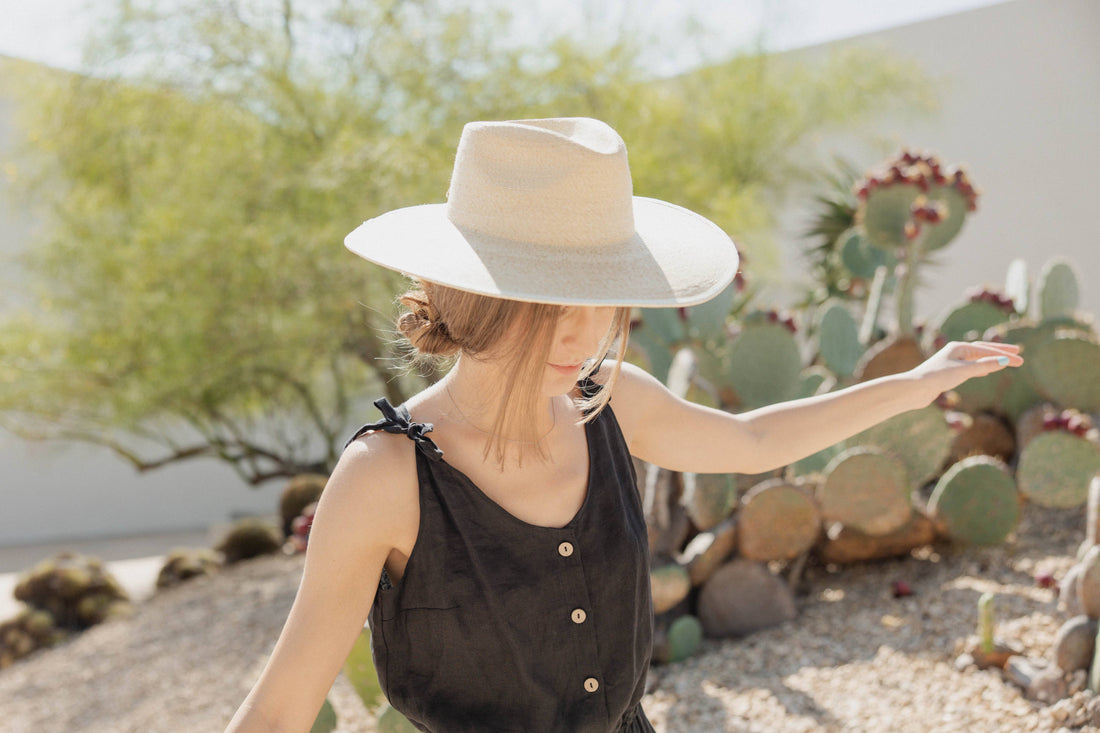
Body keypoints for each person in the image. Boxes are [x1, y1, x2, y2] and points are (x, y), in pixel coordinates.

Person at [224, 117, 1021, 733]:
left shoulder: (612, 403)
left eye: (604, 299)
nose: (585, 334)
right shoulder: (384, 478)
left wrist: (913, 387)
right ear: (474, 297)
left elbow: (753, 442)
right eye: (552, 307)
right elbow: (278, 711)